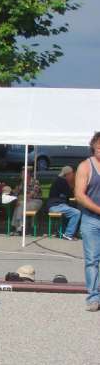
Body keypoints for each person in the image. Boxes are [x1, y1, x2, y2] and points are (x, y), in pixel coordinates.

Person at [75, 132, 100, 311]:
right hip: (91, 220)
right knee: (92, 260)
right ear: (93, 146)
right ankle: (93, 297)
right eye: (99, 146)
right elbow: (79, 195)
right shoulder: (85, 166)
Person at [47, 166, 81, 241]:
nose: (73, 175)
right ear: (68, 174)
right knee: (76, 213)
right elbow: (71, 194)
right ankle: (68, 234)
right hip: (56, 206)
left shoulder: (58, 180)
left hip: (54, 206)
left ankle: (61, 231)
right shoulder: (63, 181)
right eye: (72, 173)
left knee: (70, 211)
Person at [11, 166, 42, 234]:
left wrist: (19, 198)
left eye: (23, 174)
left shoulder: (35, 182)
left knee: (20, 205)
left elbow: (30, 195)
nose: (21, 175)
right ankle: (19, 227)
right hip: (26, 202)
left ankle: (17, 227)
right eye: (22, 174)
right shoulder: (22, 183)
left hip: (36, 202)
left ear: (28, 174)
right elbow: (16, 193)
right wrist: (11, 192)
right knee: (19, 205)